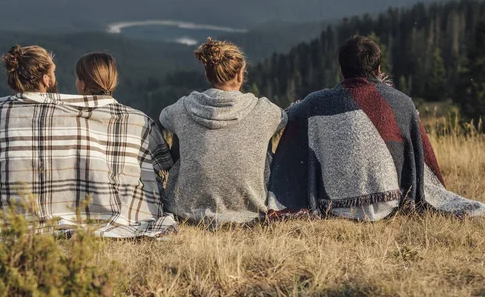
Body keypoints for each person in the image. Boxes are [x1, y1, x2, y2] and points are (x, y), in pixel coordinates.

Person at [0, 47, 176, 238]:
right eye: (53, 72)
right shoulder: (130, 119)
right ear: (46, 79)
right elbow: (163, 162)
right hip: (110, 214)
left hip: (0, 216)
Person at [268, 35, 485, 220]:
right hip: (390, 203)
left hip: (336, 207)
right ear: (378, 69)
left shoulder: (314, 103)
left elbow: (283, 118)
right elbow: (421, 157)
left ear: (341, 70)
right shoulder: (402, 103)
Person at [160, 38, 287, 225]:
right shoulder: (264, 111)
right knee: (264, 143)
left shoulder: (182, 108)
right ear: (240, 74)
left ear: (207, 74)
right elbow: (284, 118)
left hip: (186, 213)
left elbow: (164, 117)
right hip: (249, 215)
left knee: (181, 136)